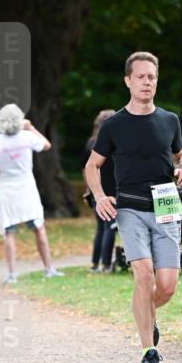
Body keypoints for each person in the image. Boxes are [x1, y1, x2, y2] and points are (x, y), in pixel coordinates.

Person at [85, 51, 182, 363]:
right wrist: (101, 196)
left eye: (152, 77)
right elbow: (92, 165)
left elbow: (181, 156)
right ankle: (150, 352)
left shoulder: (170, 120)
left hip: (166, 204)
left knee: (168, 285)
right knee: (143, 276)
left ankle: (146, 314)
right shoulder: (114, 124)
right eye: (141, 77)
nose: (147, 82)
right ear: (128, 81)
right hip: (130, 206)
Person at [0, 105, 64, 285]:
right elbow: (46, 145)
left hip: (5, 189)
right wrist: (31, 128)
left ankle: (12, 274)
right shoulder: (27, 137)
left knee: (8, 231)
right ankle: (48, 268)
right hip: (26, 188)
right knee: (38, 227)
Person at [82, 110, 116, 272]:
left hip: (96, 190)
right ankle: (106, 263)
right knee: (110, 227)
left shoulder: (90, 143)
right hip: (110, 190)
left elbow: (85, 169)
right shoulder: (113, 143)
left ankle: (95, 262)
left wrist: (89, 190)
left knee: (100, 227)